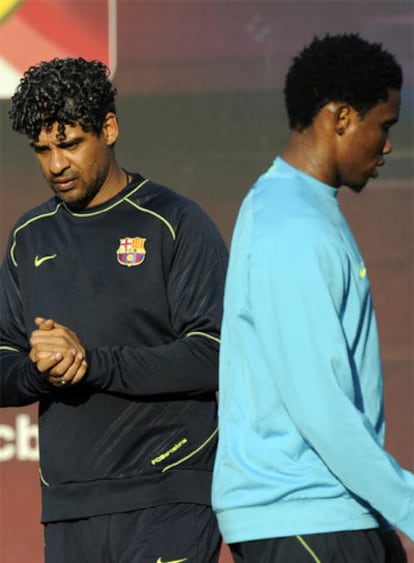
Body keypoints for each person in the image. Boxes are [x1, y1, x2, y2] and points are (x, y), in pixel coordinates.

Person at [0, 57, 228, 563]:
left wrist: (93, 362)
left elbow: (216, 352)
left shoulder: (174, 222)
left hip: (169, 493)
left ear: (109, 128)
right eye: (42, 150)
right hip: (68, 505)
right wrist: (43, 372)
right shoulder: (28, 237)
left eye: (70, 144)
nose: (56, 164)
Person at [212, 33, 414, 562]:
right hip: (302, 509)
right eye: (384, 126)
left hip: (332, 509)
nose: (387, 145)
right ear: (342, 117)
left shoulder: (301, 208)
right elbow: (319, 404)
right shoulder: (291, 224)